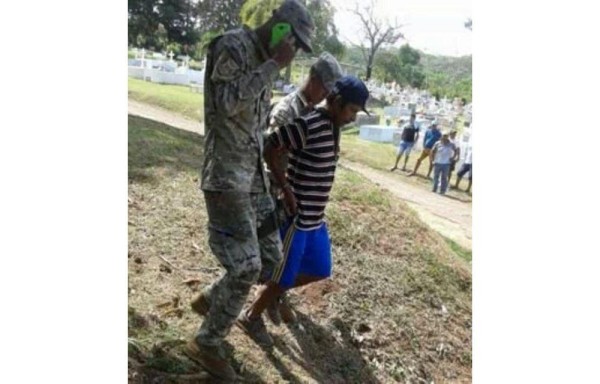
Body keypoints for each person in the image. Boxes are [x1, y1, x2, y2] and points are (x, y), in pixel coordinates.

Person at [184, 1, 314, 380]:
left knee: (273, 259)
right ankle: (206, 343)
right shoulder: (232, 46)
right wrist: (272, 64)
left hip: (252, 178)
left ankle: (210, 299)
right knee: (246, 265)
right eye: (294, 42)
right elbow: (225, 105)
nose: (294, 53)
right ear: (279, 27)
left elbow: (256, 129)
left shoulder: (263, 63)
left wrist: (277, 182)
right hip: (225, 177)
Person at [236, 76, 370, 346]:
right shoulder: (309, 123)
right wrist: (285, 188)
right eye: (352, 110)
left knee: (320, 269)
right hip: (297, 219)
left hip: (316, 220)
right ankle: (250, 316)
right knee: (283, 276)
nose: (353, 117)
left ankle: (271, 294)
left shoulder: (333, 127)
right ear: (337, 101)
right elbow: (271, 146)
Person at [265, 52, 343, 325]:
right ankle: (255, 306)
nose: (327, 95)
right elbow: (268, 153)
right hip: (275, 194)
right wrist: (283, 190)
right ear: (314, 80)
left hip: (297, 201)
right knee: (268, 258)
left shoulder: (318, 113)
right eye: (326, 88)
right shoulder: (287, 111)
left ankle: (274, 297)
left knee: (288, 260)